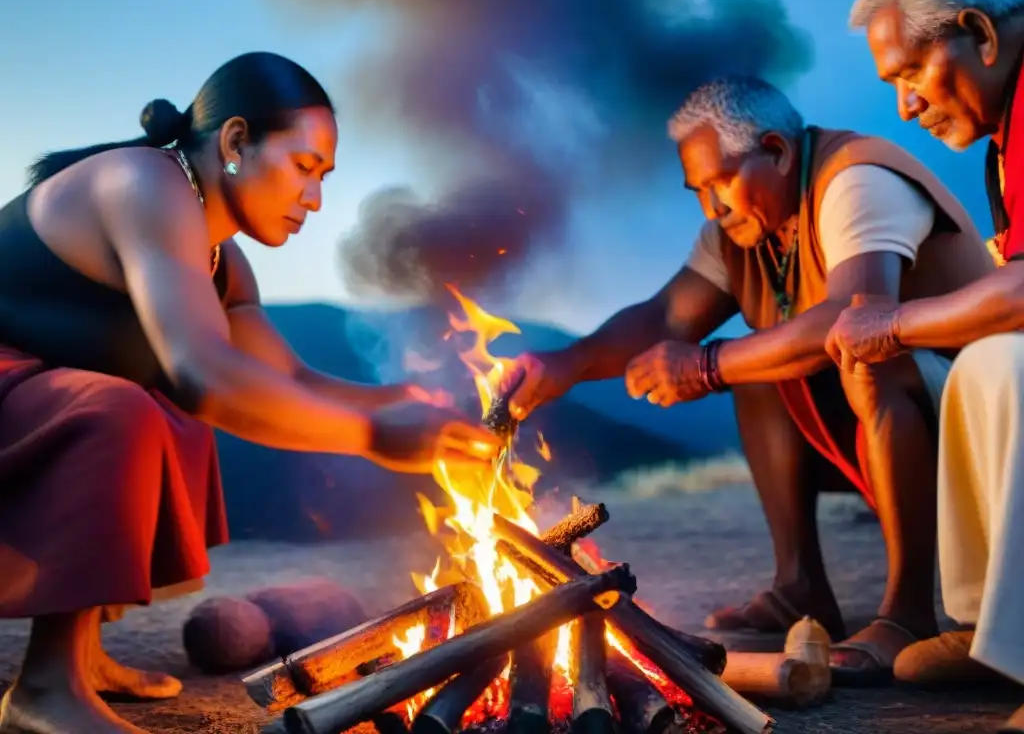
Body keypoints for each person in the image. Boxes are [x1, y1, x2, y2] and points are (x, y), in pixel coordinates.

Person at [0, 51, 501, 734]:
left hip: (28, 396)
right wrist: (379, 437)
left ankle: (80, 654)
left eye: (323, 177)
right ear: (236, 141)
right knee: (123, 411)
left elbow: (284, 379)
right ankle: (45, 689)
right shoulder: (143, 185)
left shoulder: (221, 260)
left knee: (153, 410)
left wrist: (396, 401)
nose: (315, 198)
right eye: (303, 167)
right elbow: (206, 378)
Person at [497, 75, 995, 683]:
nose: (712, 207)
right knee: (760, 360)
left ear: (778, 152)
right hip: (899, 427)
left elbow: (856, 316)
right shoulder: (738, 233)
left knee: (864, 356)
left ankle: (908, 612)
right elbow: (664, 317)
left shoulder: (856, 178)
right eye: (698, 191)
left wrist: (705, 367)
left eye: (722, 180)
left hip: (988, 423)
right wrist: (565, 365)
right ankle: (799, 586)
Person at [835, 0, 1024, 728]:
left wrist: (893, 323)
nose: (905, 105)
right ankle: (997, 633)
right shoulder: (1005, 146)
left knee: (1009, 362)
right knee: (987, 360)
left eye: (911, 71)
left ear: (978, 34)